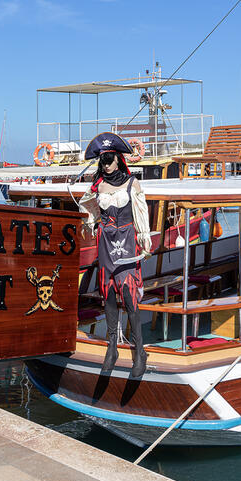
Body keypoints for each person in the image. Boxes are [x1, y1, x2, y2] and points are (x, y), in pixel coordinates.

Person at [77, 133, 152, 378]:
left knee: (129, 294)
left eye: (109, 159)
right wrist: (92, 222)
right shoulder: (98, 186)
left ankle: (139, 351)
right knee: (108, 293)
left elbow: (141, 213)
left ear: (119, 159)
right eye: (103, 160)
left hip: (127, 241)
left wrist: (144, 238)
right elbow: (86, 204)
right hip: (106, 242)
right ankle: (112, 348)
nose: (107, 164)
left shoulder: (132, 183)